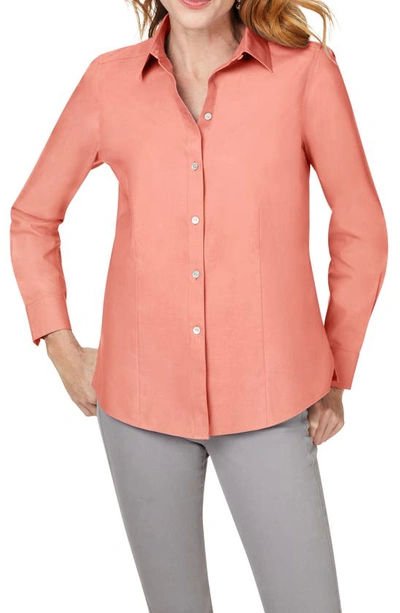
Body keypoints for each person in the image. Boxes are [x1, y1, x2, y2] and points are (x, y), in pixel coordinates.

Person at [9, 0, 388, 611]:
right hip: (139, 406)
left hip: (270, 398)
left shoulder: (306, 74)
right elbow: (32, 218)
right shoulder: (108, 82)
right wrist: (61, 348)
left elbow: (361, 229)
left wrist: (336, 372)